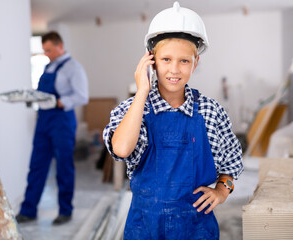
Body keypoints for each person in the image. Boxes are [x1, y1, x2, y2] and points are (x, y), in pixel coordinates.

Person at [103, 2, 243, 239]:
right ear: (151, 61)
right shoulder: (134, 110)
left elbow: (231, 165)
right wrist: (141, 92)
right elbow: (122, 149)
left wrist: (221, 191)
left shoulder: (211, 111)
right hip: (144, 228)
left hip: (196, 229)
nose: (174, 69)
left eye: (184, 61)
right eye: (166, 59)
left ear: (195, 63)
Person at [16, 31, 89, 225]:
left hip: (62, 121)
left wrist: (58, 102)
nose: (46, 54)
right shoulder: (49, 67)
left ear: (60, 46)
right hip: (44, 121)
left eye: (49, 50)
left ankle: (65, 211)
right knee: (37, 165)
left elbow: (82, 96)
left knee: (64, 167)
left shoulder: (73, 68)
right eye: (44, 50)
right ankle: (28, 210)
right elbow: (43, 93)